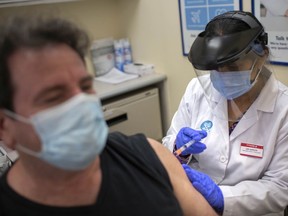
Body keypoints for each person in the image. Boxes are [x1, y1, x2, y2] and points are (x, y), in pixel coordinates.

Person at [0, 15, 218, 216]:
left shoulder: (147, 154)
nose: (81, 104)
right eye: (54, 96)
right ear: (4, 126)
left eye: (85, 86)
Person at [162, 11, 288, 216]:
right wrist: (179, 147)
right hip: (193, 204)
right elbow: (169, 147)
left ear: (262, 55)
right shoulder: (196, 89)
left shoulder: (284, 108)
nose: (223, 75)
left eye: (233, 66)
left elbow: (281, 186)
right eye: (216, 68)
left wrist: (222, 198)